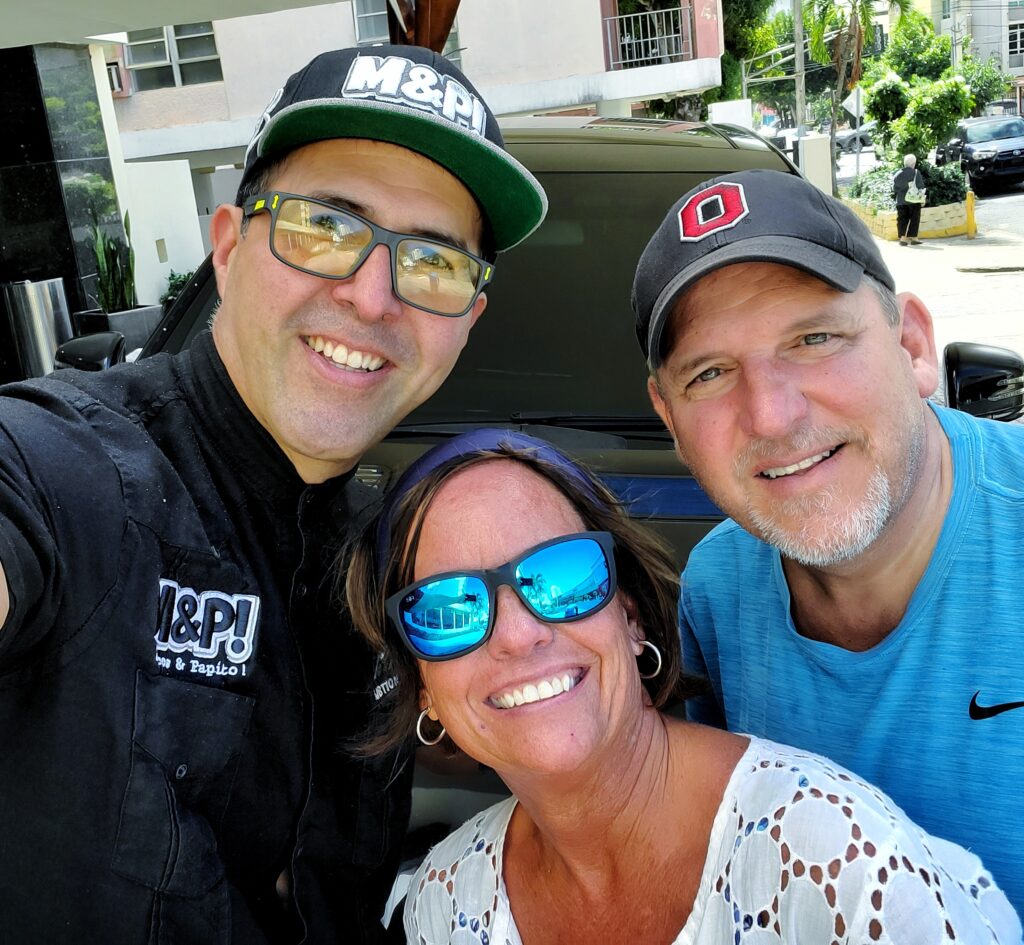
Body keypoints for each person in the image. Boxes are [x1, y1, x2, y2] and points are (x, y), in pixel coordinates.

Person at [0, 45, 546, 944]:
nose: (374, 297)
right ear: (227, 247)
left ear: (469, 319)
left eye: (434, 264)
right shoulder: (77, 469)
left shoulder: (391, 559)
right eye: (326, 229)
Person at [345, 428, 1020, 945]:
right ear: (422, 689)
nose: (520, 633)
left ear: (631, 616)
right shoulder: (446, 902)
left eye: (562, 575)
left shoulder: (841, 866)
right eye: (448, 610)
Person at [632, 167, 1024, 917]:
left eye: (815, 338)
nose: (773, 416)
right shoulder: (716, 594)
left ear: (912, 344)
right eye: (710, 373)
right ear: (669, 417)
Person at [893, 153, 926, 245]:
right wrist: (923, 199)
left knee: (902, 219)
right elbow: (920, 187)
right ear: (913, 163)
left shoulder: (898, 174)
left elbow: (894, 189)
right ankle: (914, 238)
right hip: (914, 201)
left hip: (901, 201)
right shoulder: (916, 173)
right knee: (915, 219)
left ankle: (903, 239)